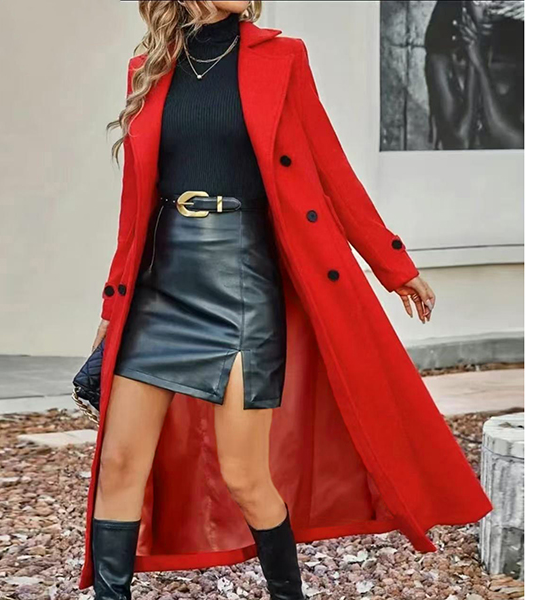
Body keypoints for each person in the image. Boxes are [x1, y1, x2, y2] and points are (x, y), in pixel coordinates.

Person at [79, 2, 492, 598]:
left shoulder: (282, 58)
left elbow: (329, 168)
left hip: (242, 282)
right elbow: (135, 201)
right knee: (119, 464)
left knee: (245, 476)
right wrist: (111, 304)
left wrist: (392, 264)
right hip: (160, 286)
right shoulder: (150, 66)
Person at [425, 0, 524, 150]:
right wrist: (474, 58)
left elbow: (518, 142)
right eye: (481, 2)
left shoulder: (518, 62)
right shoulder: (441, 61)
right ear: (464, 6)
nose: (489, 9)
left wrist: (480, 60)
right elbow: (461, 142)